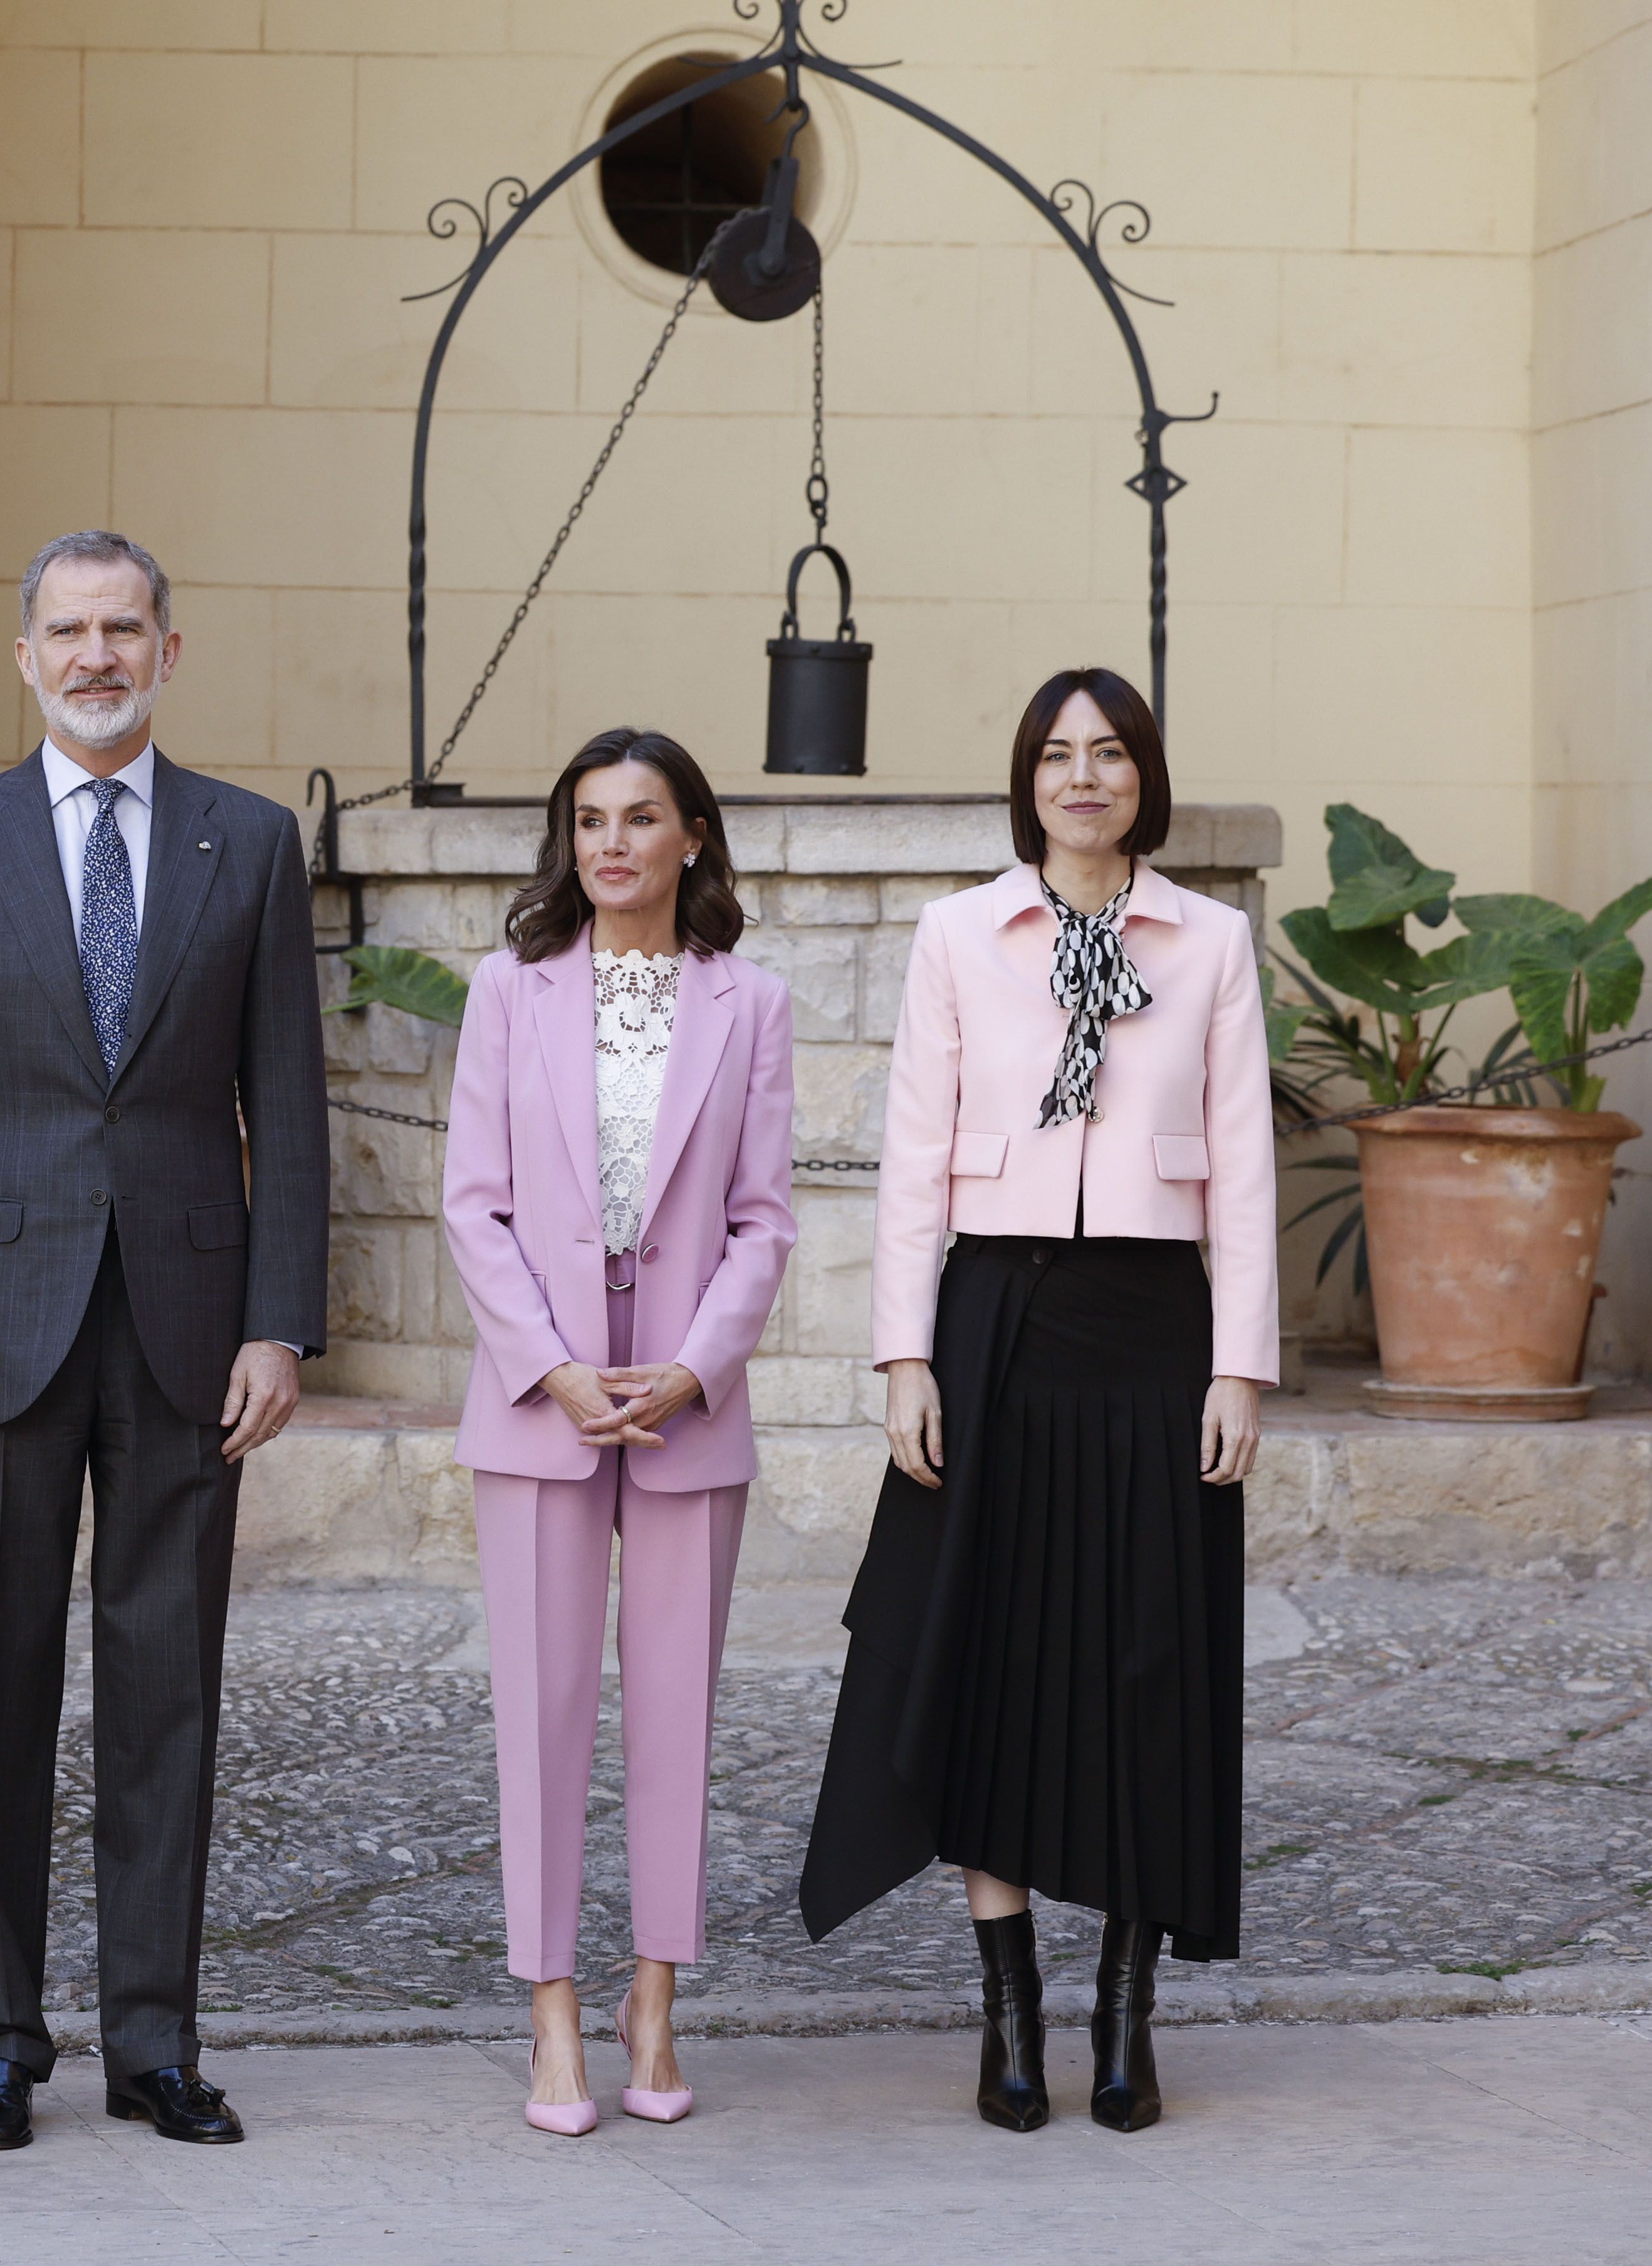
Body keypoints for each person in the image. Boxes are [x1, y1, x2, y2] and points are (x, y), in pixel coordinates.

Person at [0, 528, 327, 2153]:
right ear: (26, 653)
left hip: (193, 1331)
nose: (98, 654)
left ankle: (153, 2041)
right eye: (68, 629)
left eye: (126, 628)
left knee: (167, 1692)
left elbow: (293, 1105)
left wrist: (282, 1321)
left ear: (169, 651)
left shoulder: (249, 846)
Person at [800, 666, 1275, 2134]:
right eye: (1059, 754)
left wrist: (1240, 1364)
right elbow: (912, 1159)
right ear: (1029, 778)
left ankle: (1126, 2015)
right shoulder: (960, 934)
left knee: (1148, 1663)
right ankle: (1008, 2016)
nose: (1085, 775)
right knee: (988, 1658)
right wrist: (903, 1358)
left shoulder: (1210, 943)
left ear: (1147, 777)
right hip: (992, 1317)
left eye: (1111, 752)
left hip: (1153, 1328)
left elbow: (1249, 1166)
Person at [440, 729, 795, 2138]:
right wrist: (554, 1368)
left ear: (692, 835)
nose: (612, 843)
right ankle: (552, 2015)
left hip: (687, 1415)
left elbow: (766, 1217)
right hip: (542, 1410)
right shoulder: (507, 992)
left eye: (641, 818)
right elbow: (474, 1201)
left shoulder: (751, 1003)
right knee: (540, 1715)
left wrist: (699, 1368)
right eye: (589, 819)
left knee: (674, 1718)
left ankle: (655, 2000)